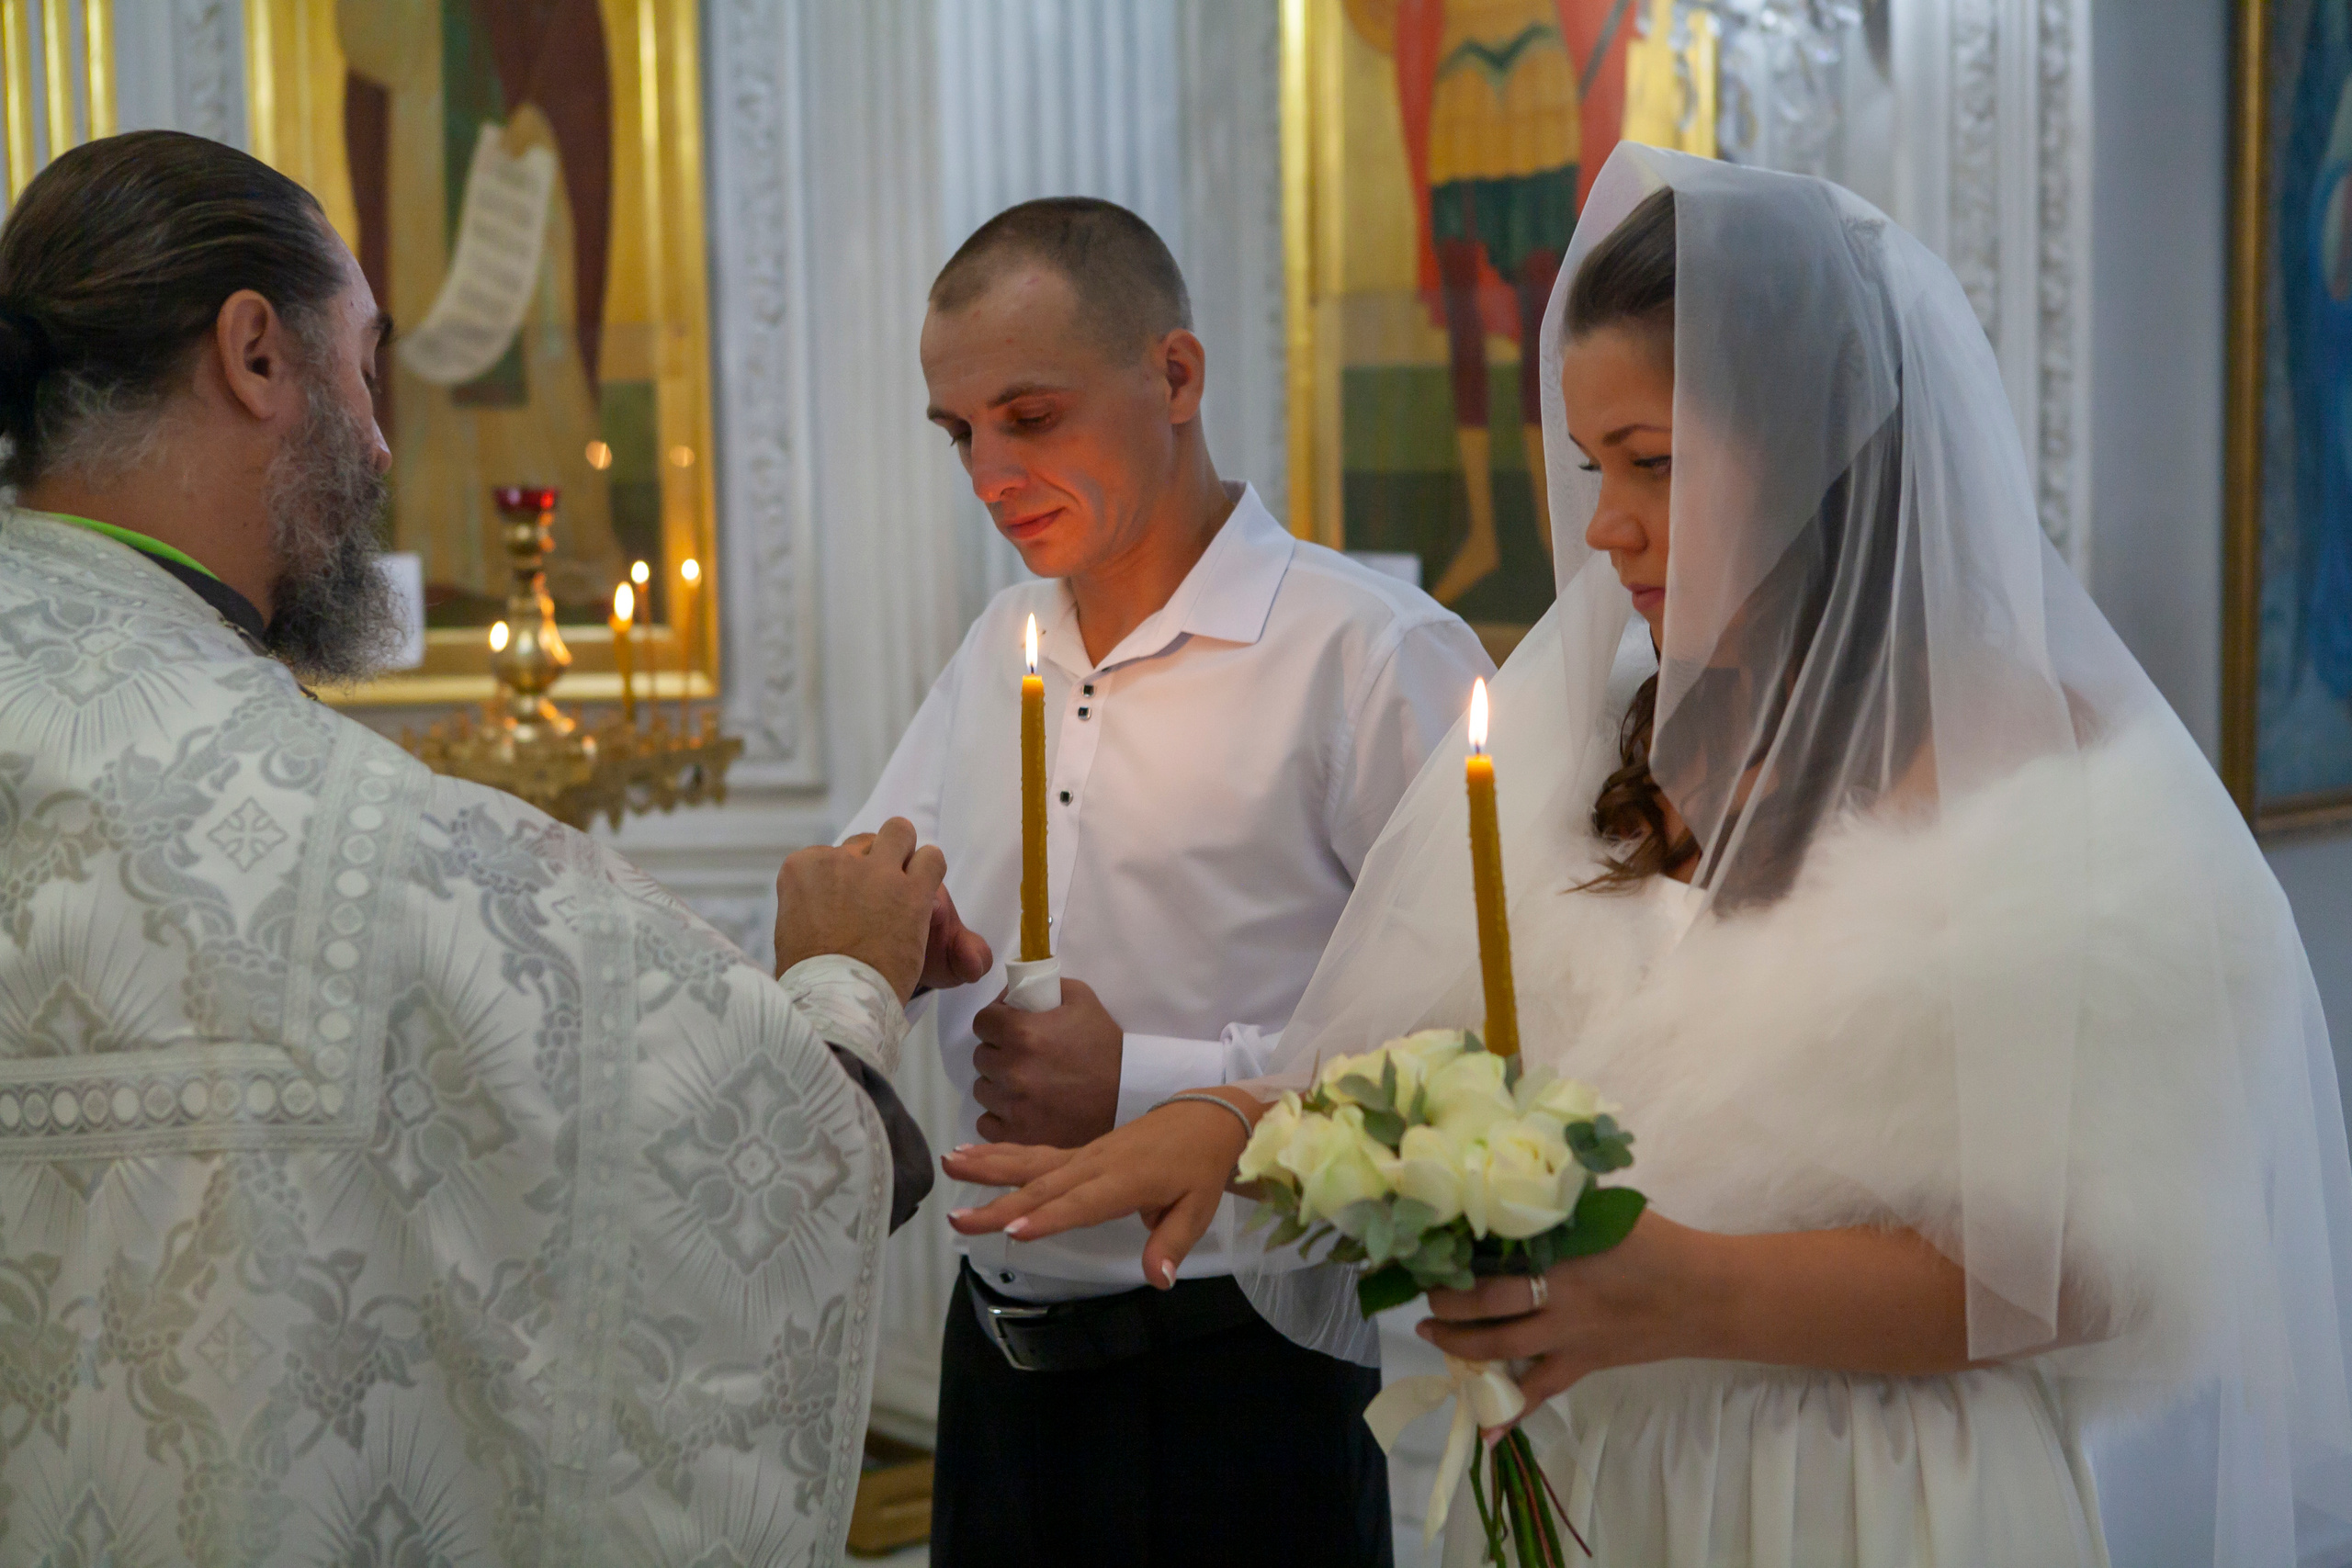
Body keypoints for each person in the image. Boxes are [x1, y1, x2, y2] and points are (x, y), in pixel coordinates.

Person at [944, 146, 2352, 1566]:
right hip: (1612, 1477)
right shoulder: (1596, 735)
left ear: (1814, 444)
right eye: (1591, 466)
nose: (1606, 524)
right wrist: (1244, 1122)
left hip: (1873, 1491)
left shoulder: (2041, 780)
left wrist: (1696, 1292)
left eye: (1655, 463)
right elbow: (1447, 1045)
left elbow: (2096, 1268)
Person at [0, 130, 972, 1564]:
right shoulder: (375, 841)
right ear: (255, 352)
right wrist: (845, 978)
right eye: (365, 367)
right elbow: (752, 1177)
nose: (381, 443)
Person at [840, 196, 1493, 1564]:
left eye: (1030, 417)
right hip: (996, 1361)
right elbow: (876, 886)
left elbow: (1478, 1049)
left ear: (1177, 377)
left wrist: (1140, 1082)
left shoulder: (1368, 656)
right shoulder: (1001, 642)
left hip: (1237, 1368)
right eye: (960, 434)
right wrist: (888, 939)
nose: (990, 476)